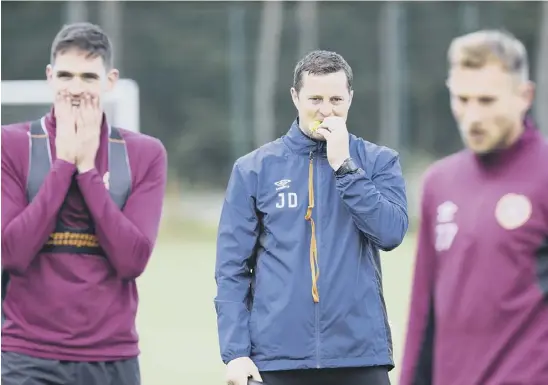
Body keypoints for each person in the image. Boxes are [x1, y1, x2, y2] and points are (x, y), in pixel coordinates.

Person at [215, 50, 409, 385]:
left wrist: (345, 169)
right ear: (295, 97)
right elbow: (231, 269)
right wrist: (235, 352)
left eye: (335, 98)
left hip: (360, 355)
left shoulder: (378, 162)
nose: (325, 109)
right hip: (276, 359)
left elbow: (390, 232)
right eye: (314, 98)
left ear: (350, 97)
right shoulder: (254, 168)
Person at [1, 22, 167, 385]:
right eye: (65, 75)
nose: (75, 88)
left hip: (112, 357)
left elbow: (132, 261)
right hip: (27, 356)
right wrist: (63, 165)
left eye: (88, 77)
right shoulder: (11, 145)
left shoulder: (144, 153)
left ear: (109, 81)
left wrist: (87, 169)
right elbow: (12, 253)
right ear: (49, 76)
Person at [399, 29, 548, 385]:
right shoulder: (439, 182)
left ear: (524, 95)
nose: (472, 116)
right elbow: (423, 313)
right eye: (462, 99)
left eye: (486, 100)